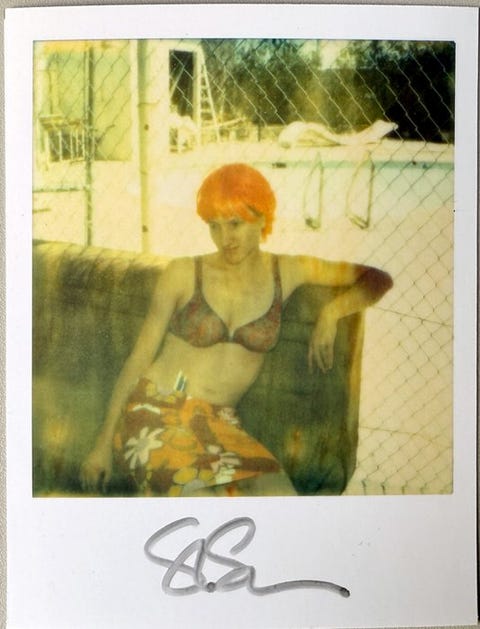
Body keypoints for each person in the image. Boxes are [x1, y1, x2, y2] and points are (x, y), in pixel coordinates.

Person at [80, 163, 392, 497]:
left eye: (235, 224)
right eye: (214, 226)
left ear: (262, 218)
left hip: (220, 424)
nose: (224, 239)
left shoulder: (288, 271)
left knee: (283, 499)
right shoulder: (183, 273)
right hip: (154, 413)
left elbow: (376, 279)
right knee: (201, 504)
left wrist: (332, 313)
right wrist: (102, 444)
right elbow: (138, 359)